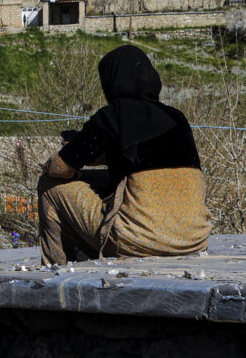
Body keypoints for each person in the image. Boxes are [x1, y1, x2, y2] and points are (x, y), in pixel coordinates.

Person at [37, 45, 210, 266]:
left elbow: (60, 168)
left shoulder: (113, 116)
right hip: (193, 240)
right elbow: (143, 166)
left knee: (50, 184)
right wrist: (97, 157)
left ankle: (55, 268)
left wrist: (68, 151)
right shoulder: (178, 118)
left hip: (139, 241)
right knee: (104, 181)